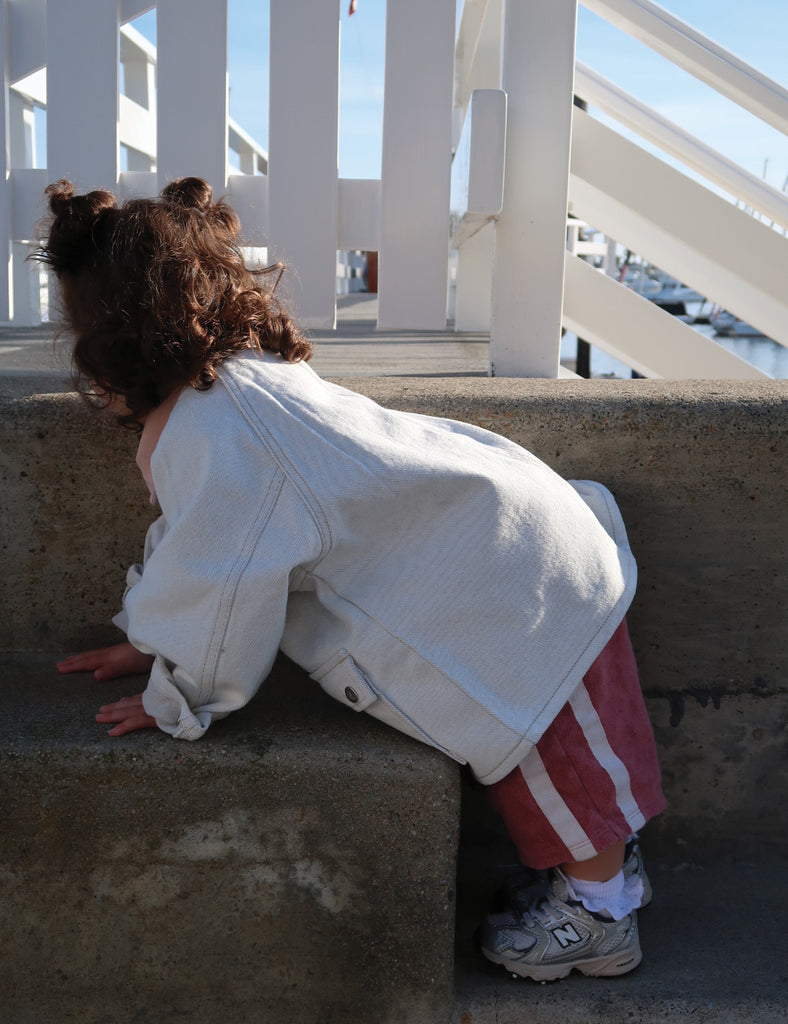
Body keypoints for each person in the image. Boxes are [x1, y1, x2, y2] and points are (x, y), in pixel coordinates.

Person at [41, 178, 665, 983]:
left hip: (511, 588)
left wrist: (179, 689)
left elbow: (221, 586)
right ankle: (601, 880)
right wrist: (147, 635)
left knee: (547, 755)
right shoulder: (244, 386)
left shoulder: (216, 428)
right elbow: (202, 544)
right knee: (576, 756)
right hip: (521, 545)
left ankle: (600, 916)